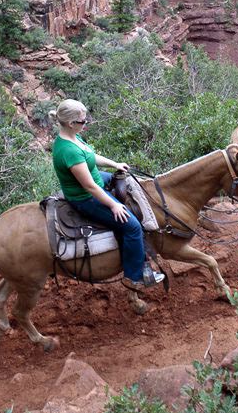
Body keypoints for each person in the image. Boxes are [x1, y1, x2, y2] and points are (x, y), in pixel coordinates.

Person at [49, 99, 164, 291]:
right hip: (84, 196)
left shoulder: (73, 137)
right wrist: (114, 205)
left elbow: (90, 157)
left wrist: (114, 164)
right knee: (132, 227)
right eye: (83, 121)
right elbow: (90, 186)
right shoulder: (68, 150)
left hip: (95, 178)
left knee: (127, 183)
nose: (86, 124)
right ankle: (135, 277)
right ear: (71, 123)